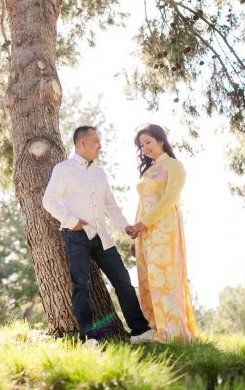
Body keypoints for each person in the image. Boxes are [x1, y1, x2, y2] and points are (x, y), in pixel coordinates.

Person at [43, 126, 152, 345]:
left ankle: (141, 332)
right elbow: (49, 200)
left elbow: (111, 206)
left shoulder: (99, 172)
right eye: (95, 141)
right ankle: (88, 337)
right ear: (81, 143)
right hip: (76, 236)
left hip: (102, 236)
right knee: (80, 285)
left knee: (123, 281)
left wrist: (125, 227)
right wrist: (72, 222)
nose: (99, 145)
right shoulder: (63, 169)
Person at [127, 124, 198, 342]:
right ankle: (156, 331)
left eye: (148, 142)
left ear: (161, 141)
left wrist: (143, 224)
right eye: (141, 145)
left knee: (164, 277)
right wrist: (136, 229)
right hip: (145, 232)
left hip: (165, 228)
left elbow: (169, 200)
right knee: (148, 278)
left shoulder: (174, 166)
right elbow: (141, 204)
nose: (145, 148)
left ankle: (174, 334)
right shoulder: (148, 171)